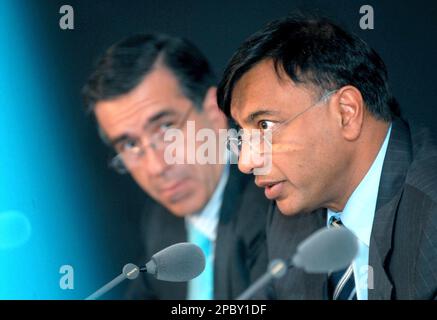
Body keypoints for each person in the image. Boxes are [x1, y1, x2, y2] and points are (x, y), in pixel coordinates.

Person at [216, 14, 437, 300]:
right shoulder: (289, 219)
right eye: (242, 135)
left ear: (346, 112)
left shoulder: (430, 212)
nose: (245, 162)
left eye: (265, 126)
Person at [82, 33, 269, 300]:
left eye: (166, 128)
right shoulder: (161, 223)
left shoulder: (271, 206)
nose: (156, 167)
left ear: (214, 112)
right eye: (130, 144)